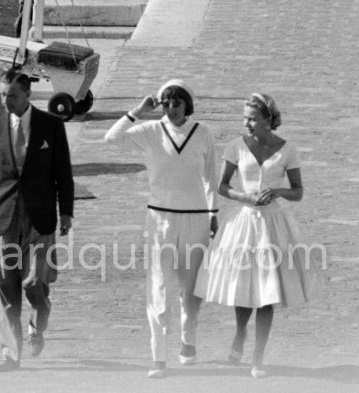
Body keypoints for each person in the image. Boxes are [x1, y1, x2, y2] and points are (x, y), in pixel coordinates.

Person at [194, 93, 324, 378]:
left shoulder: (287, 150)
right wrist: (245, 196)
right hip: (243, 223)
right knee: (244, 285)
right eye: (245, 118)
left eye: (252, 118)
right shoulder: (235, 147)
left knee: (268, 290)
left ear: (268, 119)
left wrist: (277, 191)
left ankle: (258, 356)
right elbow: (223, 186)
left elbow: (298, 192)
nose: (247, 123)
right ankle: (240, 333)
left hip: (273, 226)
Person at [105, 79, 219, 378]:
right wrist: (137, 111)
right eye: (165, 103)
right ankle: (158, 357)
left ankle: (188, 340)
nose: (170, 108)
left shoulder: (203, 133)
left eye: (176, 103)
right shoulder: (150, 131)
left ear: (187, 105)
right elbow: (111, 138)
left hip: (195, 218)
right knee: (157, 285)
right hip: (160, 219)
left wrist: (213, 213)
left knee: (191, 287)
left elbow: (211, 178)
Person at [0, 68, 74, 372]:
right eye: (2, 95)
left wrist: (66, 212)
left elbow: (63, 173)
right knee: (7, 286)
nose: (6, 101)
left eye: (12, 96)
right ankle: (10, 353)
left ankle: (37, 320)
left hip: (39, 217)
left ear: (28, 95)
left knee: (35, 283)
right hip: (4, 215)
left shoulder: (51, 126)